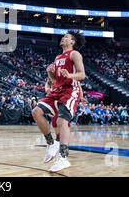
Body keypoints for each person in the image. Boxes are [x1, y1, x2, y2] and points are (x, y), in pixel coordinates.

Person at [32, 30, 86, 172]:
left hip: (70, 90)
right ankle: (51, 143)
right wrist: (50, 72)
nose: (63, 38)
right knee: (36, 112)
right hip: (57, 90)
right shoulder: (58, 57)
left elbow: (82, 75)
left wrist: (70, 75)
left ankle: (63, 158)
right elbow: (55, 81)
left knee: (62, 122)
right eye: (63, 37)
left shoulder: (74, 54)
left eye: (66, 37)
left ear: (72, 42)